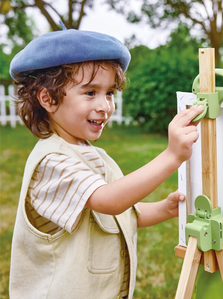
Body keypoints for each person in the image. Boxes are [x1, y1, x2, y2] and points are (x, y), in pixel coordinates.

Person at [9, 25, 204, 299]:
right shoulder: (52, 162)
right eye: (90, 93)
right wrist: (171, 156)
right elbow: (109, 200)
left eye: (110, 92)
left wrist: (163, 209)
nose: (105, 105)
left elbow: (119, 213)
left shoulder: (94, 155)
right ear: (48, 99)